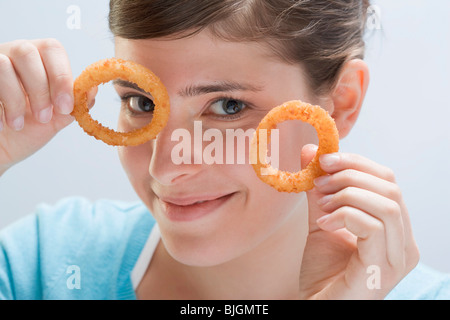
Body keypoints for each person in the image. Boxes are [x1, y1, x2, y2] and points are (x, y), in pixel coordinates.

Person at [0, 0, 448, 300]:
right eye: (141, 103)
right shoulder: (40, 265)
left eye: (228, 107)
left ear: (340, 103)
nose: (167, 168)